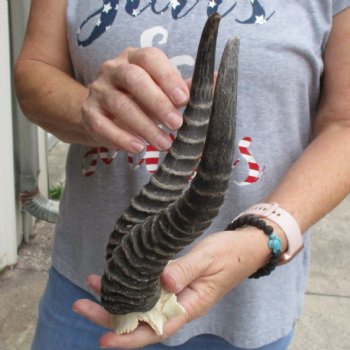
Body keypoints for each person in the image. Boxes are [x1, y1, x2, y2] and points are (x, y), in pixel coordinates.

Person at [14, 1, 350, 349]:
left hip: (244, 309)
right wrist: (88, 110)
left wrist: (265, 235)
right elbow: (35, 70)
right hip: (89, 290)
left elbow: (345, 123)